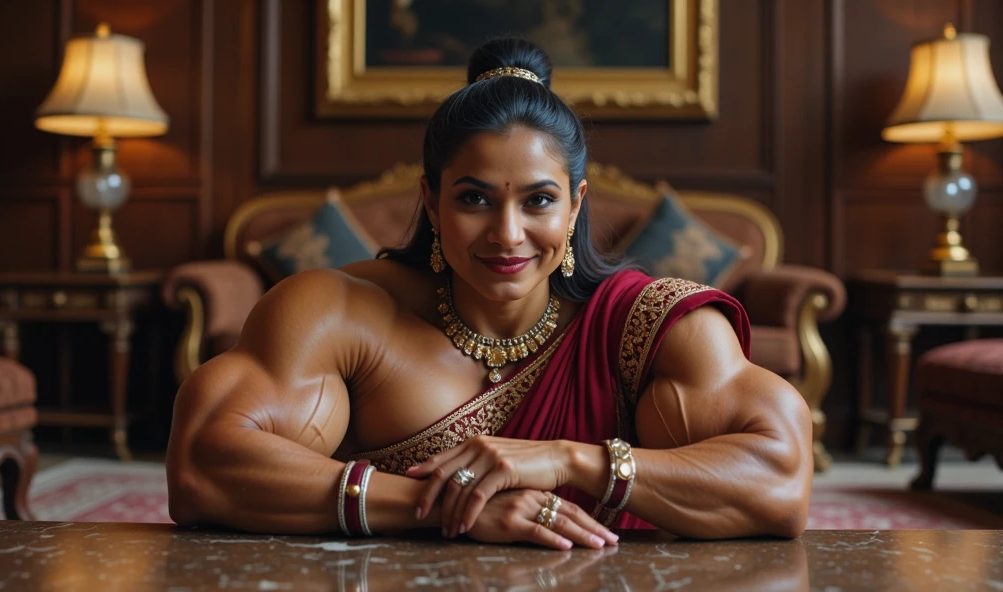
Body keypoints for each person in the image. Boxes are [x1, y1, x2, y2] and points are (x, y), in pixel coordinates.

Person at [166, 37, 812, 550]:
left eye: (538, 200)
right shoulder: (338, 312)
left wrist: (569, 462)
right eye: (474, 198)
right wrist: (455, 507)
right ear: (431, 199)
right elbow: (200, 464)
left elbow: (782, 483)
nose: (508, 235)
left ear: (575, 204)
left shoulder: (648, 328)